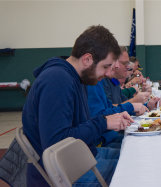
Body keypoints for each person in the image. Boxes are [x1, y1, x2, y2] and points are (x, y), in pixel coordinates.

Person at [22, 25, 134, 187]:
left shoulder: (76, 79)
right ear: (87, 59)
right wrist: (104, 122)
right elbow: (56, 144)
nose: (109, 74)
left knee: (134, 155)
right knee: (131, 170)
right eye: (105, 66)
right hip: (63, 173)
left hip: (82, 157)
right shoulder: (57, 80)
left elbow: (81, 126)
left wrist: (107, 119)